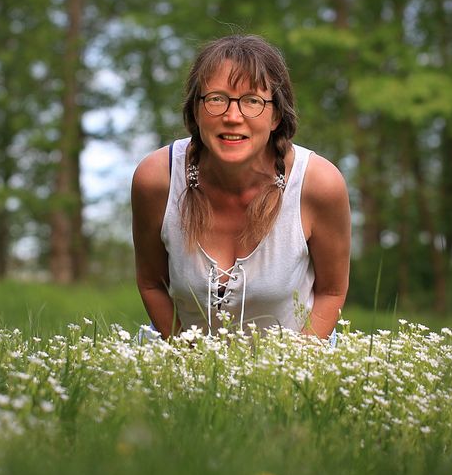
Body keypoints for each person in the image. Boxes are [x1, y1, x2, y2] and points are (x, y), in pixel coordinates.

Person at [131, 34, 350, 340]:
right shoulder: (157, 179)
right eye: (217, 99)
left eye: (252, 101)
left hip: (291, 364)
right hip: (183, 358)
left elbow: (332, 291)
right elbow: (151, 284)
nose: (233, 117)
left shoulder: (319, 184)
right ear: (196, 110)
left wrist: (295, 369)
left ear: (276, 115)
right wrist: (185, 360)